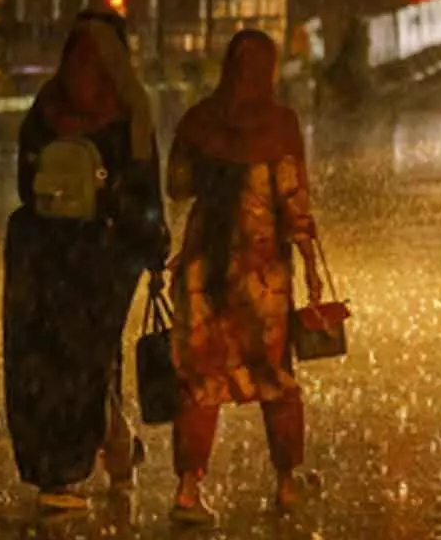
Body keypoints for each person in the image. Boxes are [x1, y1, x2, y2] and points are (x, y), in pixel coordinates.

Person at [2, 6, 168, 511]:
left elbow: (26, 187)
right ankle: (100, 455)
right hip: (104, 251)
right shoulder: (131, 112)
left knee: (53, 359)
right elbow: (144, 191)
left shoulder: (45, 108)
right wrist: (154, 250)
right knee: (93, 357)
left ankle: (63, 469)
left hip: (42, 251)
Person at [166, 29, 324, 524]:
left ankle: (189, 490)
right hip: (261, 276)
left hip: (202, 270)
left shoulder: (199, 122)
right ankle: (284, 483)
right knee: (274, 375)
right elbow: (293, 203)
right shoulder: (278, 126)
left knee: (200, 380)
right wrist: (312, 267)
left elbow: (177, 187)